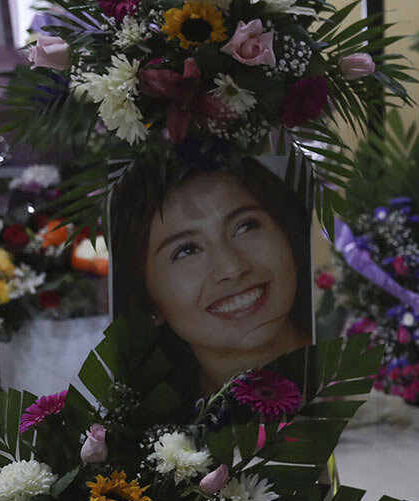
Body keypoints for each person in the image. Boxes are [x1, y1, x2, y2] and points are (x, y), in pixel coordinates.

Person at [115, 161, 312, 398]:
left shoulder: (360, 361)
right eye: (187, 250)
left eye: (245, 226)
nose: (232, 267)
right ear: (150, 304)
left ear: (290, 239)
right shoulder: (144, 425)